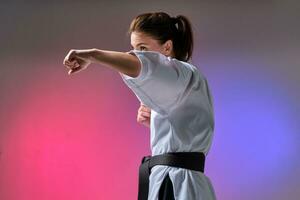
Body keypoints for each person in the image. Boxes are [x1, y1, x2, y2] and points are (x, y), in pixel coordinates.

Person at [63, 12, 216, 200]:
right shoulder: (183, 81)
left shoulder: (183, 74)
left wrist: (94, 55)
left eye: (143, 48)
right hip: (173, 180)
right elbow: (189, 126)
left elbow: (144, 66)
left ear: (167, 47)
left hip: (176, 185)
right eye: (134, 48)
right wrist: (161, 124)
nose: (137, 54)